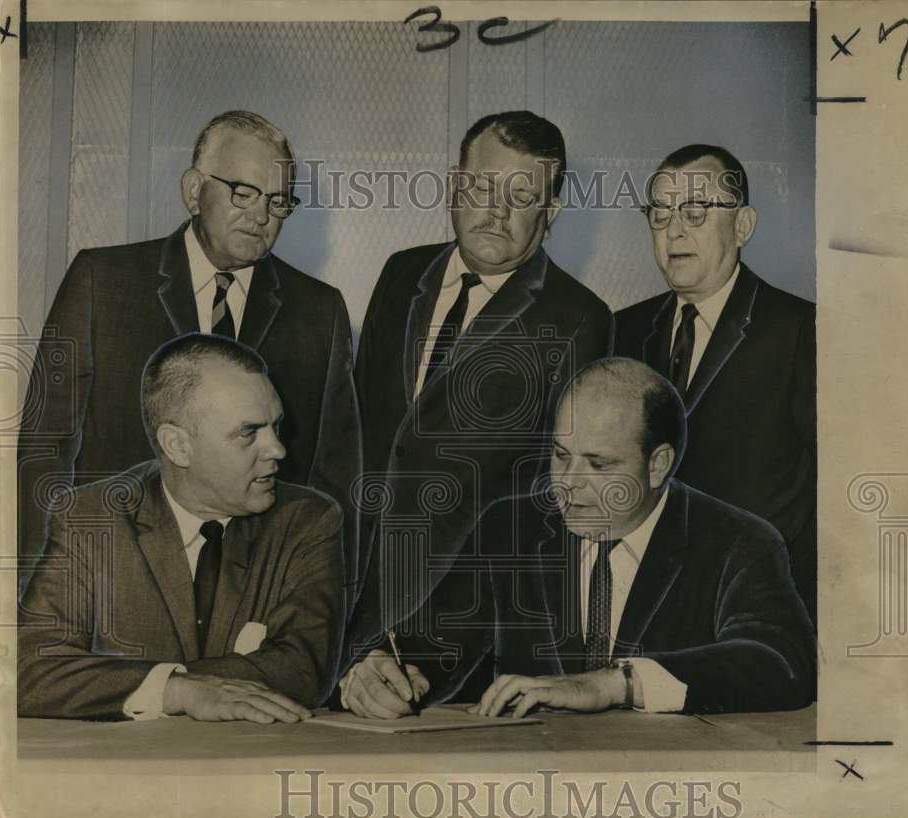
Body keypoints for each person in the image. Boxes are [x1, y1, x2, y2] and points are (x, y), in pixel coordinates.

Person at [341, 358, 815, 719]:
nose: (566, 484)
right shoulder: (512, 527)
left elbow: (782, 663)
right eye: (561, 454)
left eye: (599, 464)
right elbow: (429, 645)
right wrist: (383, 671)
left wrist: (617, 685)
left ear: (658, 465)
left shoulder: (739, 542)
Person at [17, 110, 360, 606]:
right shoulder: (103, 281)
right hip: (110, 587)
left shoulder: (319, 311)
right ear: (194, 189)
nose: (261, 217)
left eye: (278, 202)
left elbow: (337, 476)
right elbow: (45, 447)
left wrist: (328, 608)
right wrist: (33, 588)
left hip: (254, 601)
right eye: (242, 192)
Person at [347, 111, 613, 656]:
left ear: (552, 210)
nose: (496, 211)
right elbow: (354, 434)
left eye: (522, 196)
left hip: (468, 624)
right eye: (482, 186)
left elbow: (552, 499)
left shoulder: (580, 318)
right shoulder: (400, 273)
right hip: (354, 594)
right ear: (453, 185)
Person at [18, 334, 345, 722]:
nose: (277, 449)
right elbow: (28, 670)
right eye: (249, 432)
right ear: (177, 446)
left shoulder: (306, 520)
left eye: (276, 426)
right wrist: (173, 688)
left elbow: (302, 669)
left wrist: (145, 683)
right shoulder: (90, 519)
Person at [613, 145, 816, 624]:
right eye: (659, 214)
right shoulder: (623, 331)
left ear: (742, 226)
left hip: (764, 612)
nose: (675, 231)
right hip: (648, 612)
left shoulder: (800, 330)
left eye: (696, 212)